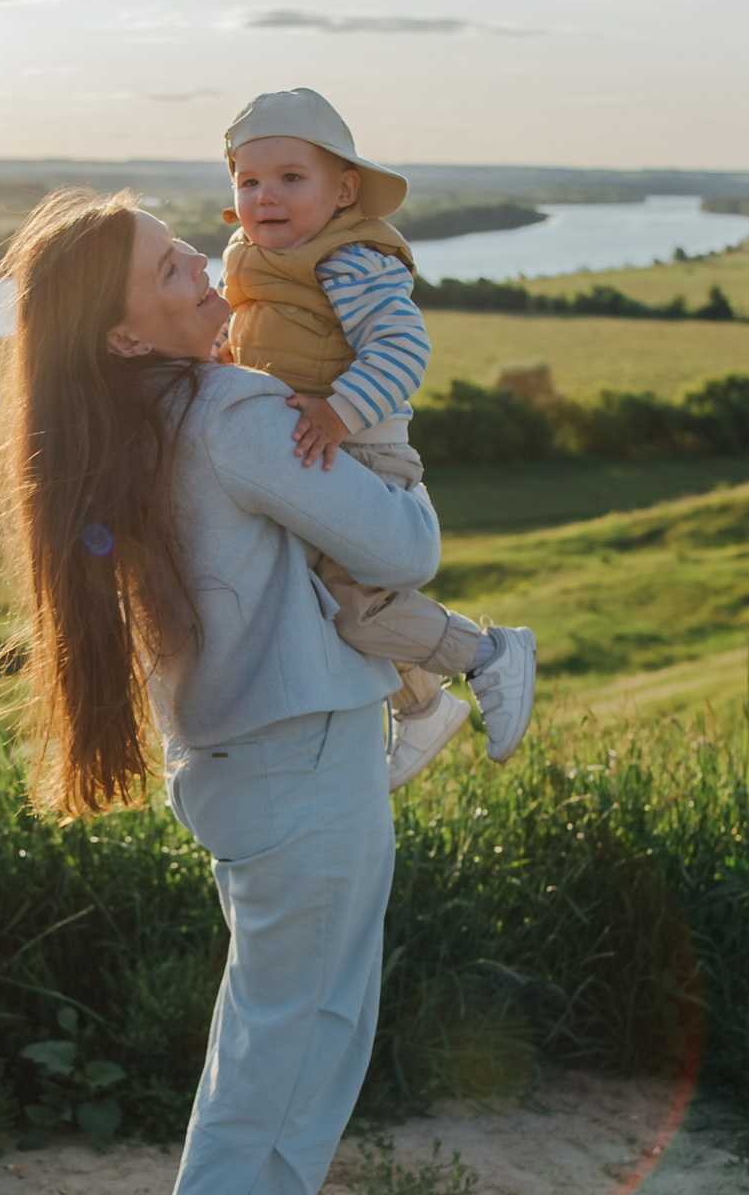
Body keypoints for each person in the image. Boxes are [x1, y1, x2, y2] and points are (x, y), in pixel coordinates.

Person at [0, 187, 440, 1195]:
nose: (205, 271)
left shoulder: (128, 423)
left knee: (293, 1018)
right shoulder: (233, 412)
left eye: (186, 250)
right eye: (170, 272)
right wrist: (387, 428)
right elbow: (405, 547)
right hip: (299, 756)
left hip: (241, 762)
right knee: (297, 1029)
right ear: (123, 334)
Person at [218, 87, 538, 789]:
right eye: (249, 181)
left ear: (344, 191)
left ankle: (486, 655)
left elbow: (401, 345)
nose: (266, 196)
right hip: (314, 445)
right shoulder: (256, 255)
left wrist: (340, 412)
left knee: (356, 604)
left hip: (358, 448)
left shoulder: (348, 257)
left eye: (291, 178)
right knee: (317, 592)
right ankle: (422, 705)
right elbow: (263, 331)